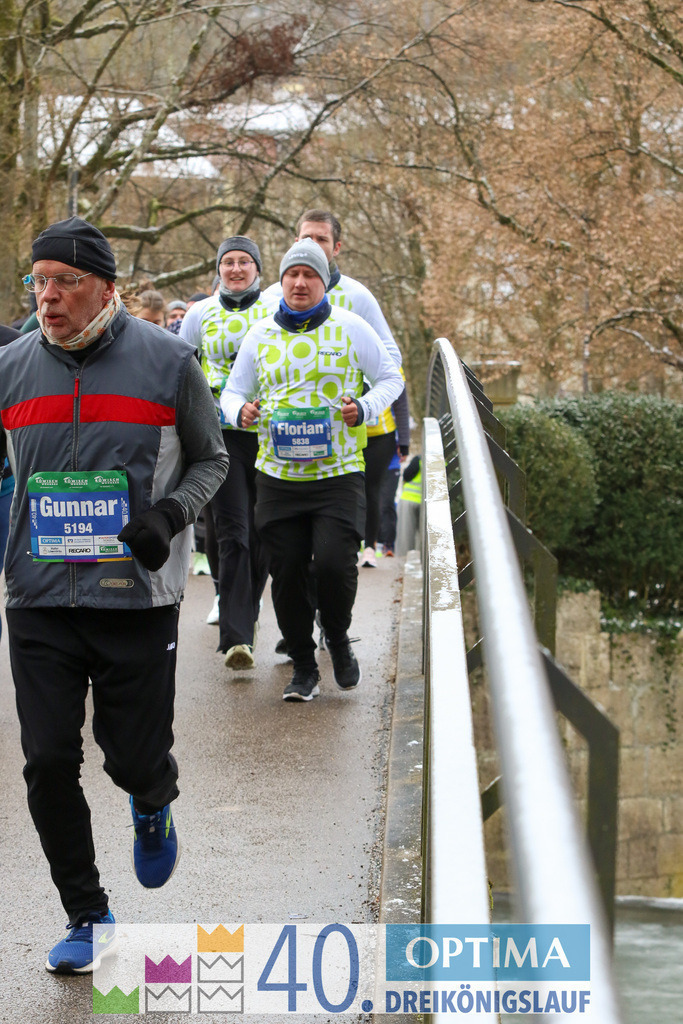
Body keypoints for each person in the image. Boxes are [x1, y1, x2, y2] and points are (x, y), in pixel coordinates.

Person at [0, 217, 229, 974]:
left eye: (64, 281)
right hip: (38, 596)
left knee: (130, 757)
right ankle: (86, 913)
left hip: (136, 595)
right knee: (44, 760)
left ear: (104, 286)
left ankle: (150, 797)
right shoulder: (11, 368)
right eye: (38, 282)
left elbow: (212, 459)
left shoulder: (168, 362)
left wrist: (168, 516)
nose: (48, 297)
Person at [221, 238, 403, 701]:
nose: (300, 283)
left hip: (338, 474)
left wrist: (363, 407)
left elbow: (391, 378)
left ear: (324, 281)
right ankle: (303, 666)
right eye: (292, 275)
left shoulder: (350, 327)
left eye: (310, 275)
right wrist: (239, 412)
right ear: (280, 281)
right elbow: (232, 391)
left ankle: (337, 638)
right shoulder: (260, 334)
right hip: (278, 477)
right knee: (286, 573)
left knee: (334, 565)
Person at [180, 236, 275, 669]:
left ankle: (246, 610)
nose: (236, 269)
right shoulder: (200, 314)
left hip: (268, 434)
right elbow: (182, 368)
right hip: (221, 436)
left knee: (264, 530)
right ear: (218, 269)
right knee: (232, 529)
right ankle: (237, 637)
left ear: (257, 268)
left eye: (244, 262)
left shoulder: (274, 310)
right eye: (228, 263)